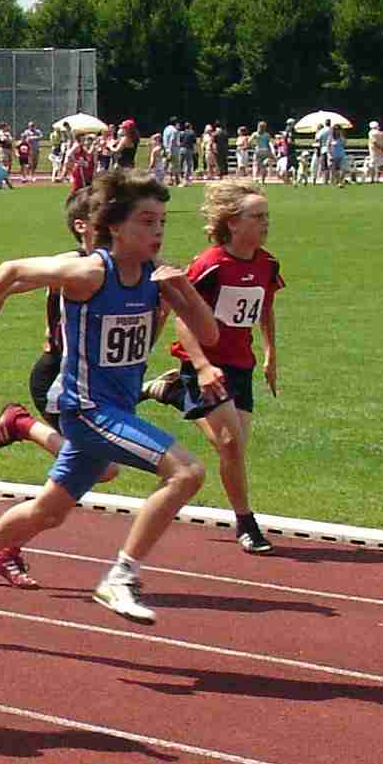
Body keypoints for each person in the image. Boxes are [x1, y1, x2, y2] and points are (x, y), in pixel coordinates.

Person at [0, 171, 219, 626]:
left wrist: (182, 289)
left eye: (162, 223)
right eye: (146, 222)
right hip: (86, 410)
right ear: (115, 227)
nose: (157, 232)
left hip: (116, 411)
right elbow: (10, 271)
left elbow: (208, 333)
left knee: (49, 512)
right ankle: (122, 577)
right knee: (186, 472)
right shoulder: (90, 272)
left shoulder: (156, 277)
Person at [0, 187, 117, 589]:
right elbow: (8, 282)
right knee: (98, 470)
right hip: (59, 377)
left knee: (83, 478)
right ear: (82, 227)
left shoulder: (120, 265)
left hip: (93, 381)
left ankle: (5, 547)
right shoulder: (71, 264)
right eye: (106, 220)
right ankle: (20, 425)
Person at [139, 182, 283, 555]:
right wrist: (202, 366)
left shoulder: (267, 264)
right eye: (258, 216)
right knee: (231, 444)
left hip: (240, 365)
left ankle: (172, 393)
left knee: (232, 447)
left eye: (267, 216)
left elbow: (265, 308)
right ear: (233, 223)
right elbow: (183, 317)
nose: (266, 223)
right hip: (204, 363)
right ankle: (247, 524)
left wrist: (270, 353)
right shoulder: (211, 264)